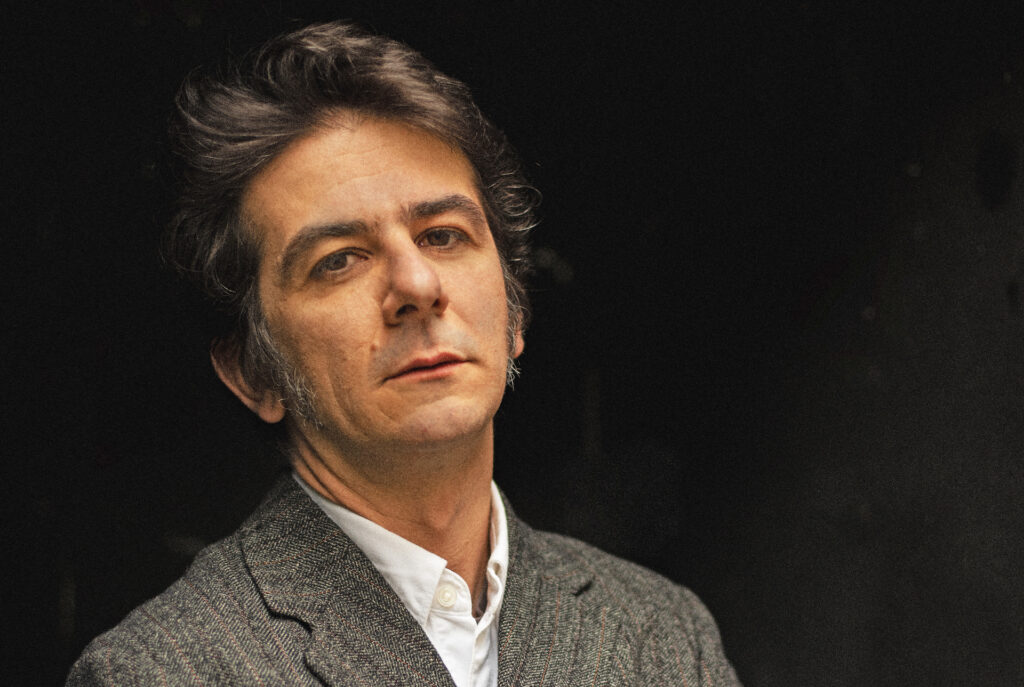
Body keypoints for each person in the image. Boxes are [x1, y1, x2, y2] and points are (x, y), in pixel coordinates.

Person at [67, 21, 741, 686]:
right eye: (339, 260)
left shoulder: (664, 632)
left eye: (443, 235)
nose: (417, 285)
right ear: (252, 372)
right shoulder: (161, 672)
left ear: (515, 313)